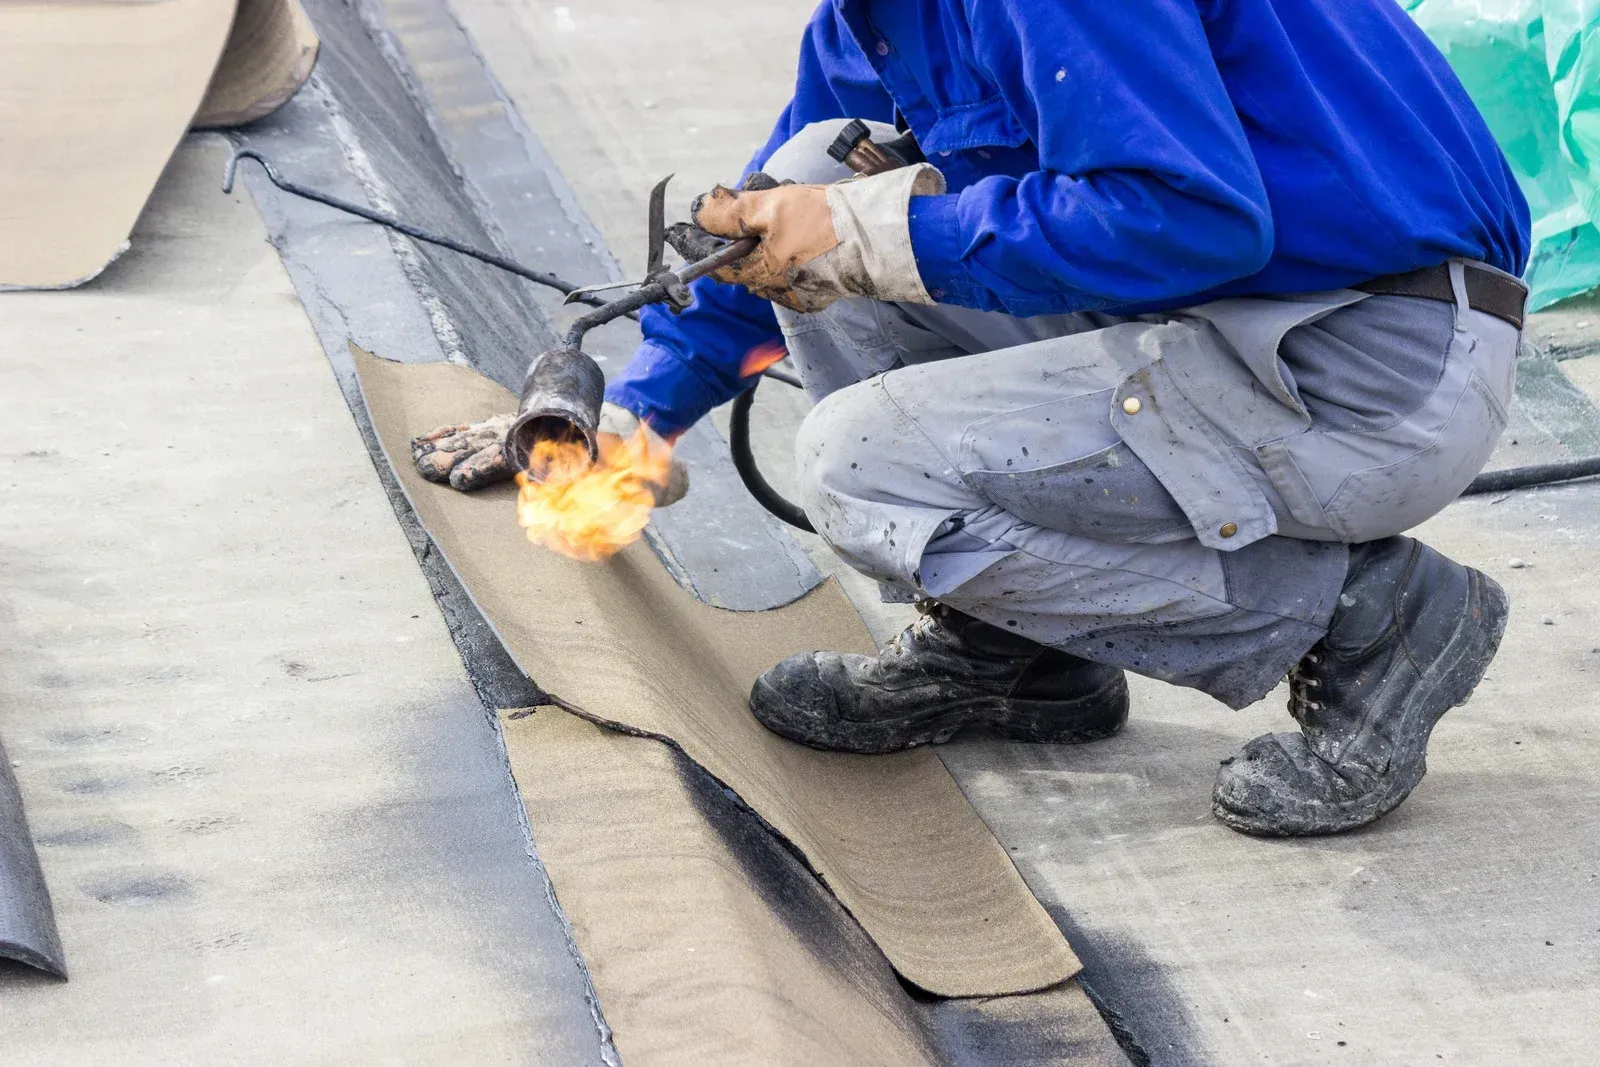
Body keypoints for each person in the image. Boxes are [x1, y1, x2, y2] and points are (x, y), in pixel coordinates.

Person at [414, 0, 1531, 837]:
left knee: (858, 465)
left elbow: (1194, 218)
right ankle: (1019, 655)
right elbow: (767, 246)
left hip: (1374, 360)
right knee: (816, 171)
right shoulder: (873, 23)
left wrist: (872, 234)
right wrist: (640, 424)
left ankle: (1364, 619)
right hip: (1219, 316)